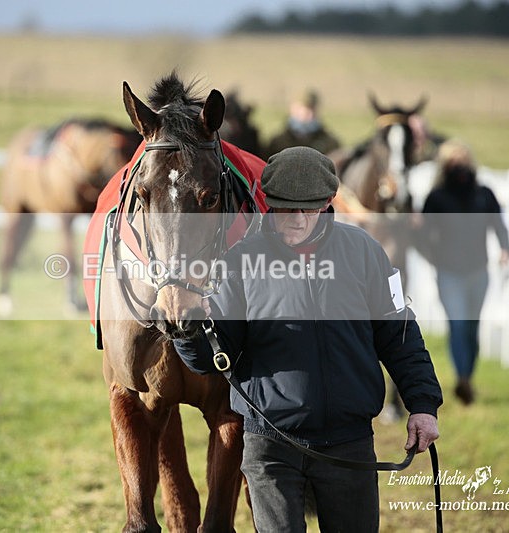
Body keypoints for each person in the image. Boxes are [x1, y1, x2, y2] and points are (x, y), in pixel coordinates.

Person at [173, 146, 443, 532]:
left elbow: (400, 336)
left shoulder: (366, 252)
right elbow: (215, 358)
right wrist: (187, 329)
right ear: (269, 203)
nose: (297, 221)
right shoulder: (237, 263)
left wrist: (422, 404)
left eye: (309, 209)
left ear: (328, 203)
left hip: (350, 443)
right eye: (286, 209)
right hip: (271, 446)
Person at [418, 139, 509, 405]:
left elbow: (499, 224)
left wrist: (505, 249)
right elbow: (423, 233)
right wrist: (433, 257)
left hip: (479, 272)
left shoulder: (484, 194)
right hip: (449, 273)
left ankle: (468, 374)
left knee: (472, 328)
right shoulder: (436, 198)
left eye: (463, 160)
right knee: (457, 325)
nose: (459, 166)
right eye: (453, 161)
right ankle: (463, 380)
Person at [265, 89, 342, 158]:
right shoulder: (277, 142)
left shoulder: (330, 143)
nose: (309, 115)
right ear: (292, 108)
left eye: (312, 109)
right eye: (302, 110)